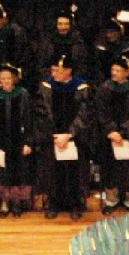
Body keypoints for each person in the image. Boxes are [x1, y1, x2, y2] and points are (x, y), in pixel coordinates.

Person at [36, 54, 91, 220]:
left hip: (75, 138)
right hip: (53, 138)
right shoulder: (46, 86)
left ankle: (76, 203)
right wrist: (55, 135)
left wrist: (69, 134)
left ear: (68, 71)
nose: (53, 74)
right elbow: (42, 112)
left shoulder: (81, 87)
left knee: (75, 170)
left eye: (57, 71)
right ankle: (54, 202)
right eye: (53, 70)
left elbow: (84, 114)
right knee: (53, 170)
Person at [93, 56, 129, 213]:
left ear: (127, 72)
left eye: (118, 70)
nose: (114, 73)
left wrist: (123, 132)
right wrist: (111, 131)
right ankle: (111, 199)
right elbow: (100, 112)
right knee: (110, 167)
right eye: (113, 70)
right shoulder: (104, 88)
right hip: (109, 137)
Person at [0, 63, 35, 217]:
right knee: (2, 172)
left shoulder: (23, 94)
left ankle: (17, 202)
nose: (6, 81)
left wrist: (28, 142)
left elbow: (29, 120)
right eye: (3, 78)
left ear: (14, 79)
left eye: (9, 78)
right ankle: (5, 203)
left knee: (18, 171)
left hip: (18, 140)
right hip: (0, 141)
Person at [35, 11, 90, 87]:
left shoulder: (78, 43)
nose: (63, 27)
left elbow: (83, 65)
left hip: (73, 78)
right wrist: (54, 76)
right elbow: (41, 64)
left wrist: (69, 77)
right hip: (50, 78)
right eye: (60, 24)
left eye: (66, 24)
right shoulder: (47, 42)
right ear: (56, 25)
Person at [87, 17, 129, 86]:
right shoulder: (101, 47)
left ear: (119, 32)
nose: (109, 35)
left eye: (112, 32)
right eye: (107, 32)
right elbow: (98, 68)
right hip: (106, 82)